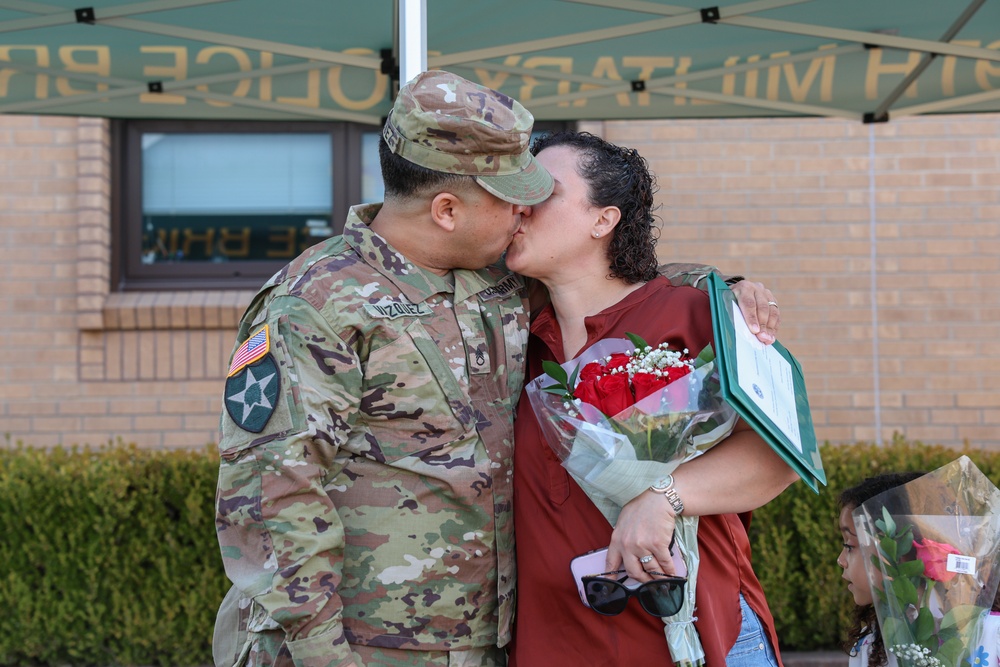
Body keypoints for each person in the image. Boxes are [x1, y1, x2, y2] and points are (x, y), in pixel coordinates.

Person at [213, 70, 779, 667]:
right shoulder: (315, 304)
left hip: (487, 641)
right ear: (447, 209)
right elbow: (273, 493)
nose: (525, 209)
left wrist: (723, 293)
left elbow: (606, 280)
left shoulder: (497, 281)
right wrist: (323, 655)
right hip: (365, 647)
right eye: (510, 197)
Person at [503, 131, 800, 666]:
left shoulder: (696, 313)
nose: (519, 208)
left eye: (543, 192)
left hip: (695, 637)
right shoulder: (509, 341)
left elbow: (779, 458)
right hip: (557, 646)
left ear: (604, 220)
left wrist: (664, 496)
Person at [837, 472, 1000, 667]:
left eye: (850, 546)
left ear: (898, 549)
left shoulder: (991, 635)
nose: (840, 560)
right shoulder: (869, 648)